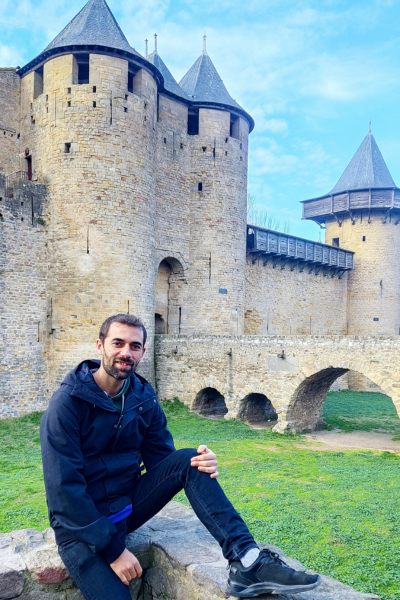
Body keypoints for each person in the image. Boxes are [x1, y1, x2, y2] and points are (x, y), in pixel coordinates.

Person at [40, 313, 321, 599]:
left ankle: (248, 561)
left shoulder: (142, 397)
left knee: (190, 460)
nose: (126, 352)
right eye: (118, 343)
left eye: (134, 346)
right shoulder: (68, 403)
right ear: (99, 346)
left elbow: (164, 464)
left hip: (125, 508)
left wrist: (201, 464)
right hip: (79, 531)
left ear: (143, 352)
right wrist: (114, 551)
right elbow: (64, 493)